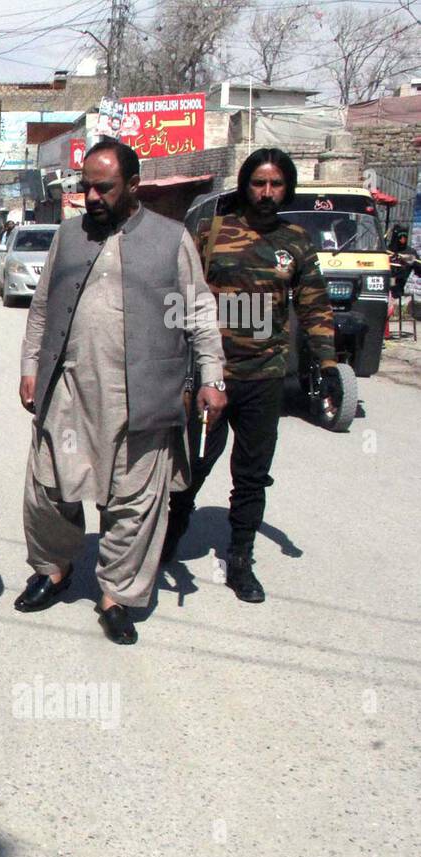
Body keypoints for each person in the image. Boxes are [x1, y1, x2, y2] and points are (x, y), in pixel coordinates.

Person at [15, 139, 226, 645]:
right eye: (85, 186)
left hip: (143, 394)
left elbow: (196, 313)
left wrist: (212, 377)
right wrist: (29, 366)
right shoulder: (68, 236)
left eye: (103, 187)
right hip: (68, 390)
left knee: (134, 500)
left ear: (133, 186)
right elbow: (43, 308)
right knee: (47, 488)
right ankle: (54, 568)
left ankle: (116, 595)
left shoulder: (170, 239)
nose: (91, 196)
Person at [163, 147, 335, 602]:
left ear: (287, 188)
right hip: (211, 376)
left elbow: (315, 305)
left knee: (252, 475)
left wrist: (328, 363)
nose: (266, 192)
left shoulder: (296, 241)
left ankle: (240, 559)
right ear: (244, 184)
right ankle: (167, 538)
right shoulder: (211, 231)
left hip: (265, 376)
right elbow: (177, 291)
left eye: (276, 184)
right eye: (259, 183)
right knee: (193, 465)